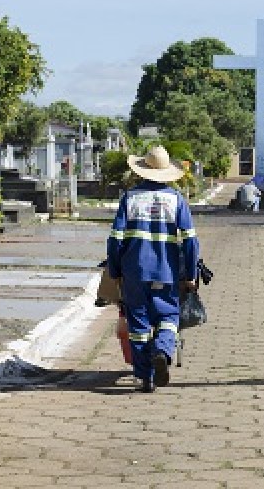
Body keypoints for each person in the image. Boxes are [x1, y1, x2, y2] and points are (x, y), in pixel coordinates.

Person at [107, 145, 199, 393]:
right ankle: (162, 349)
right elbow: (190, 240)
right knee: (168, 316)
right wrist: (190, 274)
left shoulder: (130, 198)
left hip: (135, 271)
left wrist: (114, 269)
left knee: (138, 323)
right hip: (167, 271)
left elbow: (115, 238)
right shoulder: (176, 199)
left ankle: (145, 377)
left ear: (142, 171)